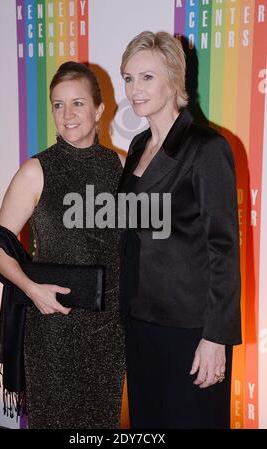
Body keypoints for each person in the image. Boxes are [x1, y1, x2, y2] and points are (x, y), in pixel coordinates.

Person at [0, 61, 125, 429]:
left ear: (99, 109)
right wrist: (31, 289)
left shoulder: (122, 167)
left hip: (108, 333)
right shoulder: (36, 170)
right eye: (58, 105)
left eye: (78, 103)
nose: (68, 114)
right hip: (53, 329)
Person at [118, 31, 241, 429]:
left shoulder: (206, 148)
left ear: (175, 79)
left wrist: (216, 338)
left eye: (147, 77)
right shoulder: (137, 146)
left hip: (189, 330)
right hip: (139, 322)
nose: (135, 89)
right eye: (129, 78)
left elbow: (223, 248)